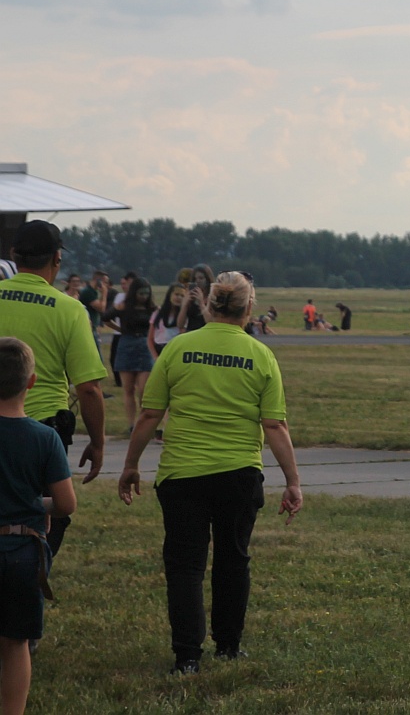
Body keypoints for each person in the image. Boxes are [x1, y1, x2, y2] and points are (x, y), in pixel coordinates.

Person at [118, 271, 303, 675]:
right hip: (239, 474)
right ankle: (229, 646)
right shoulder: (260, 355)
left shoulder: (179, 348)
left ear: (207, 306)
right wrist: (292, 480)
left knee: (185, 564)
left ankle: (187, 655)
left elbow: (150, 414)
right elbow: (275, 426)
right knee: (233, 559)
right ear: (249, 308)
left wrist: (131, 465)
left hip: (183, 474)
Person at [0, 221, 107, 556]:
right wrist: (98, 443)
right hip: (42, 431)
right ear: (57, 259)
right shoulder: (70, 310)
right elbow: (88, 388)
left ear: (13, 255)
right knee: (38, 523)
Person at [0, 338, 76, 715]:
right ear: (30, 383)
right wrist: (37, 504)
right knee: (15, 643)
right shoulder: (45, 438)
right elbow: (65, 504)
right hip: (21, 551)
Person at [115, 278, 157, 437]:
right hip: (127, 344)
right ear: (134, 293)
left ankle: (143, 422)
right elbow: (106, 316)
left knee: (144, 390)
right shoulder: (124, 307)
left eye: (147, 293)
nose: (144, 296)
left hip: (144, 345)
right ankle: (131, 424)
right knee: (128, 389)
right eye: (141, 293)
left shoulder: (152, 308)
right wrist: (119, 328)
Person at [149, 284, 186, 359]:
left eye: (182, 296)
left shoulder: (183, 316)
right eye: (176, 294)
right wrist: (155, 357)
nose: (179, 298)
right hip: (158, 349)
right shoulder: (158, 313)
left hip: (174, 350)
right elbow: (150, 338)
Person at [179, 265, 215, 334]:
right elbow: (180, 325)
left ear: (207, 279)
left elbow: (211, 323)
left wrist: (201, 304)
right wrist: (185, 305)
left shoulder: (213, 297)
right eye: (195, 279)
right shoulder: (191, 297)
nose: (197, 281)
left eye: (201, 278)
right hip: (191, 333)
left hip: (206, 334)